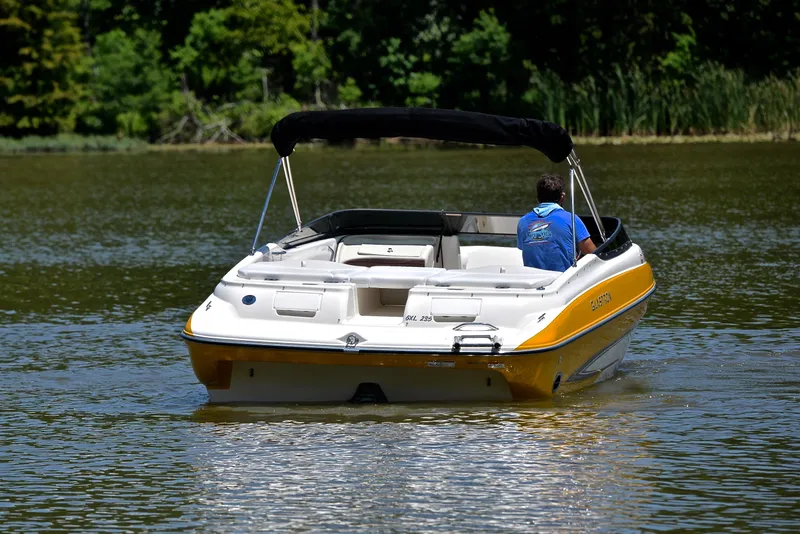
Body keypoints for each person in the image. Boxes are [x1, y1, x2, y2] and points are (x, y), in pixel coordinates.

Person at [517, 173, 597, 272]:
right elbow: (592, 254)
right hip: (562, 282)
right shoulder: (571, 219)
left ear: (538, 198)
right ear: (562, 196)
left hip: (532, 281)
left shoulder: (523, 222)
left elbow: (526, 248)